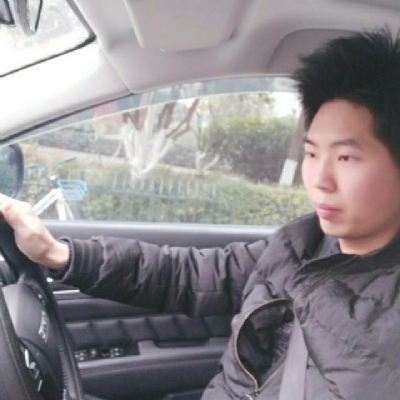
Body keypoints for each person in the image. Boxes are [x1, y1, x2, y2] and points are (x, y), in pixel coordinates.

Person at [2, 27, 400, 399]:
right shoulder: (300, 244)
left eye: (346, 157)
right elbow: (191, 274)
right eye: (312, 154)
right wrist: (58, 254)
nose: (320, 180)